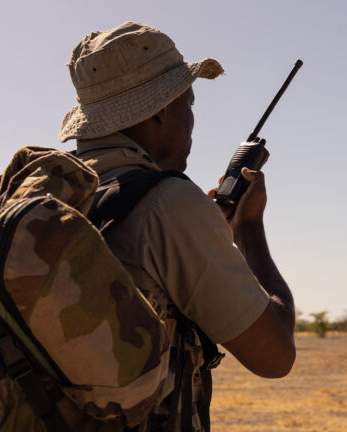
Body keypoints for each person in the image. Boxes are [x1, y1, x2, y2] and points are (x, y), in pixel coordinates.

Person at [58, 22, 296, 430]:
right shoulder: (168, 205)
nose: (190, 119)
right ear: (161, 110)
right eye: (188, 102)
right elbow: (275, 356)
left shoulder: (46, 198)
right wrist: (248, 228)